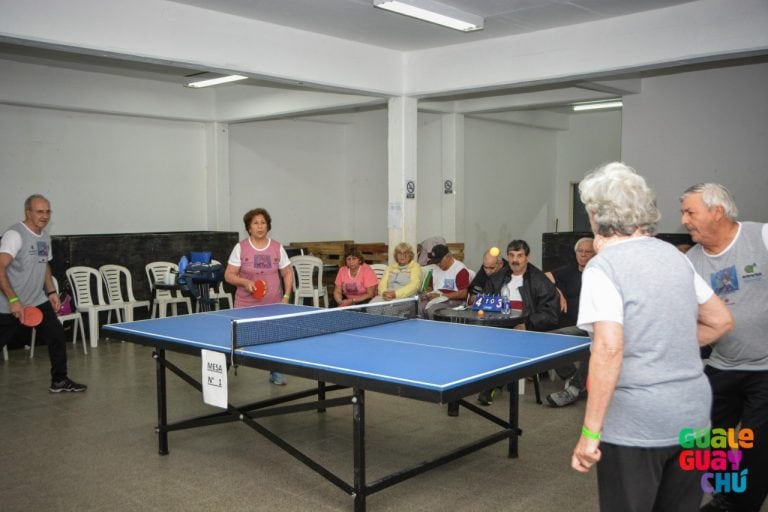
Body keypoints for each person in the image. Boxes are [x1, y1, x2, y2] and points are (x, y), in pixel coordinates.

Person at [571, 162, 733, 511]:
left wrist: (590, 434)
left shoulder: (604, 268)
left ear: (597, 216)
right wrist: (667, 344)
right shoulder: (675, 256)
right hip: (693, 417)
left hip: (637, 422)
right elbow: (720, 321)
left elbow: (608, 349)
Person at [680, 183, 768, 512]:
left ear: (717, 212)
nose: (684, 220)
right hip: (725, 362)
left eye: (690, 211)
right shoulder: (691, 261)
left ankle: (737, 505)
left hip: (766, 368)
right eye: (683, 212)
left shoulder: (761, 237)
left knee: (756, 446)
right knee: (709, 438)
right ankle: (725, 493)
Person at [0, 194, 87, 393]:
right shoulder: (15, 235)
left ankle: (59, 380)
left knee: (56, 335)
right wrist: (13, 300)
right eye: (40, 211)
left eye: (48, 211)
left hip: (37, 300)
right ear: (28, 212)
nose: (45, 216)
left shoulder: (45, 236)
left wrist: (51, 291)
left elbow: (44, 264)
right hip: (10, 303)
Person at [474, 240, 559, 407]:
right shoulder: (497, 279)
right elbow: (485, 304)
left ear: (527, 257)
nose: (515, 260)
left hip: (527, 329)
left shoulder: (539, 280)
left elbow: (551, 314)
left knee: (504, 343)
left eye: (520, 256)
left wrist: (527, 325)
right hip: (499, 328)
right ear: (507, 257)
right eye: (512, 255)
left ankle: (491, 385)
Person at [225, 207, 293, 386]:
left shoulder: (277, 247)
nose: (260, 226)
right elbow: (229, 274)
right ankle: (224, 371)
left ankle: (276, 372)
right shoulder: (240, 248)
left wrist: (286, 296)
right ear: (249, 227)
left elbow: (287, 273)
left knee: (274, 337)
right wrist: (245, 283)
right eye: (255, 223)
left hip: (273, 304)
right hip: (245, 304)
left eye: (263, 223)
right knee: (236, 339)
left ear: (268, 226)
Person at [544, 237, 594, 407]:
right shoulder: (570, 270)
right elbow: (545, 277)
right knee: (550, 339)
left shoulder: (600, 274)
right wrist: (558, 292)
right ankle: (573, 377)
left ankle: (574, 389)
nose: (584, 255)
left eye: (588, 252)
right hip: (578, 326)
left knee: (594, 346)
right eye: (581, 251)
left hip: (597, 328)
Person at [418, 244, 470, 320]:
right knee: (419, 307)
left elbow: (463, 293)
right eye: (436, 262)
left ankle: (436, 331)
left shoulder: (460, 270)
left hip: (455, 301)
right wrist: (427, 294)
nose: (437, 264)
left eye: (439, 261)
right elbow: (430, 287)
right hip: (438, 299)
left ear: (448, 257)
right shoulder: (435, 269)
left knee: (433, 310)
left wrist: (442, 296)